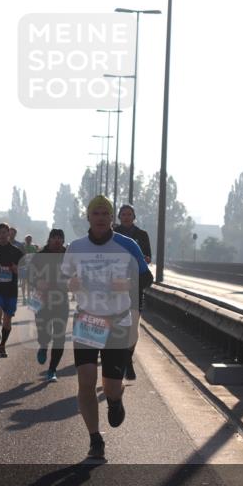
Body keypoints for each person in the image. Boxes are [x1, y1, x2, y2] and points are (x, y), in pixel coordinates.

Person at [62, 196, 152, 459]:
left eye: (105, 213)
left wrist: (128, 284)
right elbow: (64, 276)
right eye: (96, 213)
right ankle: (95, 440)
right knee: (86, 380)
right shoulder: (76, 247)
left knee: (111, 386)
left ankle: (115, 399)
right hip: (87, 320)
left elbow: (147, 278)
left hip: (117, 321)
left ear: (111, 218)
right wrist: (70, 283)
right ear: (88, 217)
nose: (100, 218)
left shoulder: (128, 245)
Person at [113, 204, 152, 380]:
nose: (126, 217)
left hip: (135, 284)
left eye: (129, 214)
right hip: (115, 286)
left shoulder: (142, 235)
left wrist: (142, 259)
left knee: (133, 326)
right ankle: (118, 359)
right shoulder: (112, 234)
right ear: (119, 217)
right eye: (123, 214)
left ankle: (128, 359)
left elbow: (148, 258)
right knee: (118, 325)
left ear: (134, 217)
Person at [28, 229, 68, 382]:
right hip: (40, 298)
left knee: (60, 337)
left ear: (63, 240)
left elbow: (77, 273)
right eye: (54, 238)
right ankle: (43, 345)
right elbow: (29, 275)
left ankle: (52, 370)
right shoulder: (39, 256)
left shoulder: (68, 256)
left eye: (60, 238)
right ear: (49, 239)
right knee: (44, 332)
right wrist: (37, 282)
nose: (57, 241)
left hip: (60, 299)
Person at [0, 222, 23, 358]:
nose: (2, 235)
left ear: (9, 233)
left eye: (4, 232)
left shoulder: (16, 251)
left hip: (11, 291)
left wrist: (17, 270)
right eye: (0, 232)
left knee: (7, 321)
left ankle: (2, 345)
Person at [19, 234, 39, 304]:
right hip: (23, 267)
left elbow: (36, 257)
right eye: (27, 239)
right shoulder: (22, 247)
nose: (28, 240)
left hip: (31, 267)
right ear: (25, 240)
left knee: (29, 283)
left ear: (31, 240)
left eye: (30, 239)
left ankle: (28, 297)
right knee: (24, 282)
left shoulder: (33, 247)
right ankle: (24, 297)